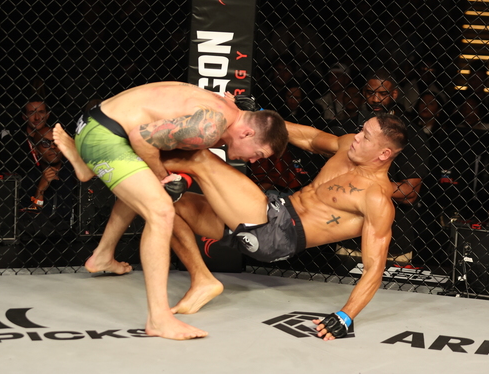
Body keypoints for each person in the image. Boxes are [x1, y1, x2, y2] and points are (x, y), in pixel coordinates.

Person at [55, 110, 407, 340]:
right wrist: (246, 119)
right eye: (361, 130)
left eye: (365, 137)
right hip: (272, 209)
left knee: (198, 158)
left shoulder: (376, 198)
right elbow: (311, 138)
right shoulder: (347, 147)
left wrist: (346, 316)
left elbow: (374, 268)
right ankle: (200, 279)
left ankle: (94, 160)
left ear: (383, 154)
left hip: (278, 231)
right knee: (161, 202)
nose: (356, 136)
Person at [53, 81, 289, 340]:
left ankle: (102, 255)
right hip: (105, 136)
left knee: (147, 189)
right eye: (258, 153)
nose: (254, 160)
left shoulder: (227, 107)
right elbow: (140, 138)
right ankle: (159, 319)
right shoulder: (210, 127)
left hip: (98, 123)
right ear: (246, 133)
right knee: (161, 211)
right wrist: (161, 175)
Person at [329, 68, 430, 264]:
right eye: (370, 92)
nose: (375, 99)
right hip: (348, 237)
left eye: (382, 94)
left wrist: (360, 185)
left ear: (394, 94)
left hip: (392, 241)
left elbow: (409, 193)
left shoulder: (411, 135)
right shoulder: (346, 129)